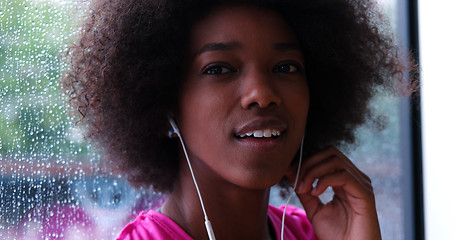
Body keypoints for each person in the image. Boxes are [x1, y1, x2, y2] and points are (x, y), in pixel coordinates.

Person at [63, 0, 415, 239]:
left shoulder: (319, 232)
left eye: (285, 67)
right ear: (163, 103)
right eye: (219, 68)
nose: (262, 93)